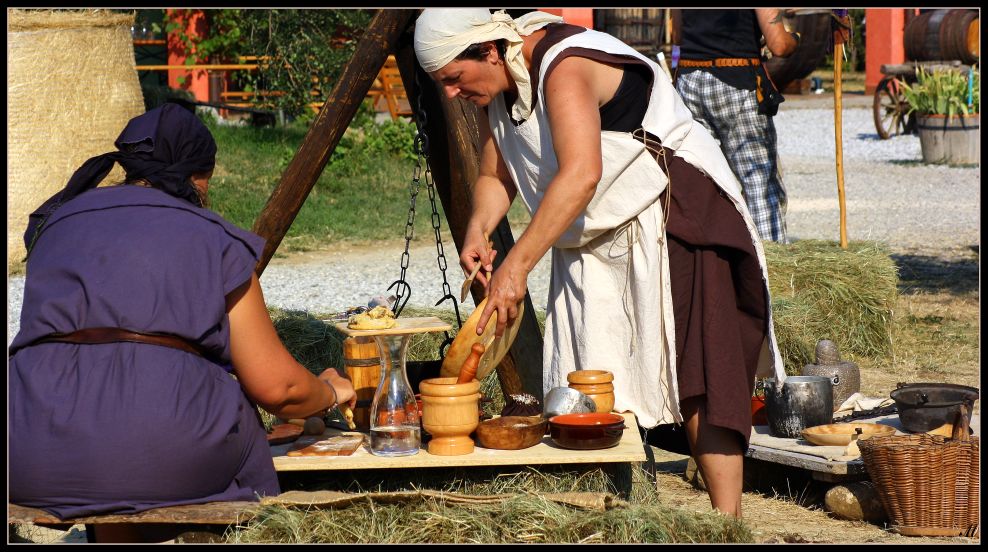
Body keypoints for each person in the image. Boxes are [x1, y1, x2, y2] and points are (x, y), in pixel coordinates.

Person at [413, 9, 786, 517]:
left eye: (454, 79)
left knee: (697, 371)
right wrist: (479, 226)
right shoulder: (497, 87)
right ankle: (615, 512)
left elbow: (582, 173)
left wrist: (516, 266)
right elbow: (494, 174)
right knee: (587, 377)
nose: (452, 93)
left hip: (669, 210)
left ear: (489, 50)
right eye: (443, 85)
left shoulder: (563, 65)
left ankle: (727, 523)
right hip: (590, 232)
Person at [8, 102, 356, 542]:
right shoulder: (213, 237)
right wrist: (327, 390)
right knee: (196, 418)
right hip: (159, 458)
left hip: (26, 453)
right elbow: (279, 390)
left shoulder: (56, 224)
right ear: (198, 177)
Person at [674, 9, 799, 243]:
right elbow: (780, 45)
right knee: (759, 184)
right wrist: (796, 39)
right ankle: (771, 269)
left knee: (705, 186)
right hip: (735, 83)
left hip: (690, 82)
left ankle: (714, 271)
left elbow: (678, 35)